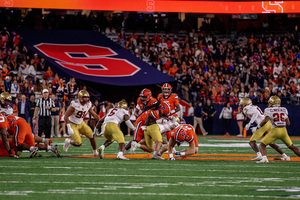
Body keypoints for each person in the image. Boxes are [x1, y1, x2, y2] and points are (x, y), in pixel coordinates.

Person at [257, 96, 300, 163]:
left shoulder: (268, 110)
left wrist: (258, 126)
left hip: (275, 131)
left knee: (262, 144)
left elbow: (265, 120)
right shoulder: (284, 109)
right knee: (291, 146)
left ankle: (264, 158)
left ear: (271, 103)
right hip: (283, 131)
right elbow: (288, 123)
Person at [63, 90, 100, 156]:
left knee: (92, 136)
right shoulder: (75, 104)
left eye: (87, 97)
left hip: (81, 123)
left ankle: (95, 152)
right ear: (80, 97)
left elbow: (94, 114)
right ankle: (69, 142)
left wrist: (102, 122)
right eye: (85, 97)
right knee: (78, 143)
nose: (87, 99)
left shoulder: (89, 104)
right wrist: (68, 127)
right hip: (72, 124)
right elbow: (66, 116)